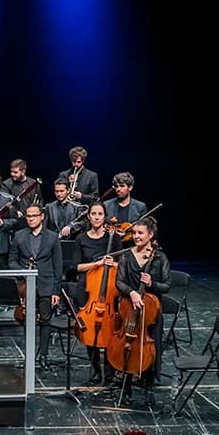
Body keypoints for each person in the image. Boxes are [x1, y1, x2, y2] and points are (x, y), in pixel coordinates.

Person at [114, 216, 170, 408]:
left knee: (151, 348)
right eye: (135, 233)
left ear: (150, 235)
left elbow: (167, 285)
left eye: (140, 233)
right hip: (130, 308)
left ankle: (149, 386)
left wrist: (151, 283)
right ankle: (126, 384)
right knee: (126, 344)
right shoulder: (126, 256)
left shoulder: (159, 257)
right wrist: (132, 293)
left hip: (151, 312)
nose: (136, 236)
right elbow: (119, 282)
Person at [73, 201, 122, 383]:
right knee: (90, 331)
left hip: (109, 290)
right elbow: (76, 267)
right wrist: (97, 264)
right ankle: (95, 370)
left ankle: (109, 371)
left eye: (100, 214)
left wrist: (112, 263)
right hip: (88, 289)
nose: (96, 217)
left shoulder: (113, 238)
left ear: (104, 216)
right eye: (93, 214)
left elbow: (122, 265)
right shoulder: (81, 239)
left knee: (109, 330)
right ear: (89, 216)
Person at [8, 203, 62, 368]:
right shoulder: (19, 236)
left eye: (34, 216)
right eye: (28, 216)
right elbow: (11, 261)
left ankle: (43, 356)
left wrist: (56, 291)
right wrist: (23, 271)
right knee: (27, 321)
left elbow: (58, 266)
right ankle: (29, 357)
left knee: (45, 321)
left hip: (46, 284)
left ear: (42, 216)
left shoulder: (52, 237)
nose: (30, 219)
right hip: (26, 286)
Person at [103, 172, 148, 245]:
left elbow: (143, 230)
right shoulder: (106, 205)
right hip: (110, 245)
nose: (118, 189)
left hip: (131, 246)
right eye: (116, 186)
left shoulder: (140, 207)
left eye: (122, 186)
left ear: (130, 187)